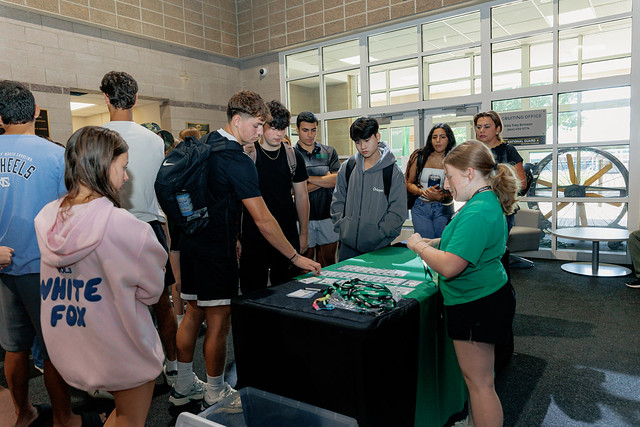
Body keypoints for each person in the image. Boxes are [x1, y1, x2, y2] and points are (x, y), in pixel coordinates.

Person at [172, 91, 321, 409]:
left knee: (192, 313)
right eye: (257, 125)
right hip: (216, 249)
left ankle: (182, 383)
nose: (260, 131)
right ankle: (215, 390)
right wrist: (295, 255)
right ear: (237, 121)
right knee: (219, 321)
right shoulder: (236, 159)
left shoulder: (205, 142)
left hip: (192, 242)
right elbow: (263, 219)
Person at [35, 126, 166, 426]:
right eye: (123, 167)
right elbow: (151, 292)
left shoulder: (46, 218)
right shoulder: (129, 228)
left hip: (72, 345)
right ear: (104, 167)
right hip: (124, 345)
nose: (126, 177)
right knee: (129, 418)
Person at [407, 140, 519, 427]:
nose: (447, 183)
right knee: (479, 381)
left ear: (470, 173)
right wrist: (436, 242)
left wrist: (419, 245)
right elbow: (461, 244)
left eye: (450, 176)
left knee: (480, 384)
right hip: (484, 299)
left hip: (476, 305)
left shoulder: (477, 211)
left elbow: (450, 266)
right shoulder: (483, 201)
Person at [0, 80, 92, 427]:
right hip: (46, 267)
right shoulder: (56, 155)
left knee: (14, 348)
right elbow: (70, 216)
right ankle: (64, 418)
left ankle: (24, 413)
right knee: (54, 349)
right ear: (36, 112)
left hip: (4, 267)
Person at [100, 71, 179, 387]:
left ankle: (120, 377)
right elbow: (160, 191)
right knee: (163, 306)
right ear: (134, 99)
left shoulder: (92, 136)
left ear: (106, 98)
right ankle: (174, 370)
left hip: (107, 231)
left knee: (111, 310)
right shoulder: (155, 140)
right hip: (148, 229)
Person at [239, 100, 309, 293]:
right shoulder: (248, 156)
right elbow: (236, 201)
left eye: (282, 128)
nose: (279, 134)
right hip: (254, 234)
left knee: (289, 290)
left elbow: (302, 196)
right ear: (262, 127)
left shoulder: (293, 156)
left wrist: (304, 233)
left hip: (286, 232)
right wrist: (237, 237)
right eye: (273, 128)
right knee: (252, 293)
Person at [331, 117, 407, 261]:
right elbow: (337, 201)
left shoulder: (393, 172)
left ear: (377, 137)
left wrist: (379, 233)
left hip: (380, 249)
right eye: (358, 142)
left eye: (366, 140)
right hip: (347, 248)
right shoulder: (347, 167)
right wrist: (343, 227)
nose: (362, 147)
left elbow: (398, 212)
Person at [294, 112, 341, 266]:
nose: (310, 135)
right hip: (302, 219)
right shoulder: (291, 155)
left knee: (329, 262)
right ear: (297, 130)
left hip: (328, 216)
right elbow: (293, 191)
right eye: (305, 130)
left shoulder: (329, 152)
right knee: (304, 265)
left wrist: (306, 180)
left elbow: (336, 180)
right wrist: (324, 179)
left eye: (313, 130)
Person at [474, 110, 525, 230]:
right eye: (479, 127)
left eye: (487, 127)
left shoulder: (508, 150)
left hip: (502, 209)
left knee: (497, 248)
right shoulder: (474, 152)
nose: (482, 130)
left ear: (497, 129)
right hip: (478, 208)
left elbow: (521, 182)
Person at [405, 123, 456, 238]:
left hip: (444, 208)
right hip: (421, 207)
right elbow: (408, 183)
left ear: (449, 139)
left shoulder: (455, 159)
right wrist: (423, 192)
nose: (438, 141)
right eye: (434, 137)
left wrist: (441, 197)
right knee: (424, 246)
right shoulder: (419, 156)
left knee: (441, 244)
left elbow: (458, 188)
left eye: (442, 137)